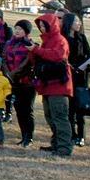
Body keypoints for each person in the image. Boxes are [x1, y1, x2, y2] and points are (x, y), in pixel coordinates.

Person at [31, 11, 73, 158]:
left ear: (51, 25)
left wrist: (38, 50)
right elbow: (41, 57)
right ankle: (56, 144)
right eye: (40, 26)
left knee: (60, 117)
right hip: (48, 85)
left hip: (59, 86)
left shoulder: (60, 40)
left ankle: (64, 148)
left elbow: (57, 56)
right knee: (50, 117)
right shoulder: (46, 41)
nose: (41, 28)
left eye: (44, 25)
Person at [3, 19, 37, 147]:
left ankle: (29, 137)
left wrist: (16, 72)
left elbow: (28, 62)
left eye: (20, 29)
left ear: (26, 32)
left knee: (27, 110)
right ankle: (23, 136)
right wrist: (7, 72)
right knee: (18, 109)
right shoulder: (9, 44)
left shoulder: (30, 44)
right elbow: (4, 58)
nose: (17, 31)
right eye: (16, 28)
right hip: (13, 81)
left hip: (26, 82)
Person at [63, 11, 90, 149]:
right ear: (69, 23)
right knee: (69, 108)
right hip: (68, 77)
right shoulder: (63, 38)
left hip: (81, 77)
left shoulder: (82, 37)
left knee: (80, 108)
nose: (79, 23)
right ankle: (71, 134)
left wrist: (85, 65)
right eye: (76, 21)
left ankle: (81, 136)